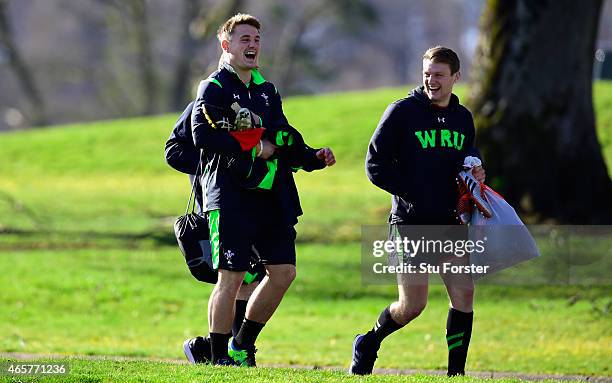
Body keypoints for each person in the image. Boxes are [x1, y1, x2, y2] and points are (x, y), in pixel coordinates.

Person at [190, 13, 336, 366]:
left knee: (284, 272)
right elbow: (202, 135)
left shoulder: (267, 90)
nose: (252, 45)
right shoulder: (215, 88)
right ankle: (217, 355)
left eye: (256, 39)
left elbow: (282, 136)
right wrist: (254, 146)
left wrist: (313, 157)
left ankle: (243, 344)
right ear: (226, 45)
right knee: (232, 276)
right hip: (229, 196)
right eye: (244, 39)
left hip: (270, 196)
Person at [350, 46, 485, 376]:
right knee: (412, 306)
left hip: (450, 220)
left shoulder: (463, 117)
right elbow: (374, 164)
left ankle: (456, 374)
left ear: (456, 77)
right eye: (427, 74)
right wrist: (412, 191)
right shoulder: (402, 112)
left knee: (464, 293)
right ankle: (368, 342)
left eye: (439, 75)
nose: (431, 81)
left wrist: (477, 172)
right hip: (410, 221)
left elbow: (469, 158)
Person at [165, 101, 265, 363]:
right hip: (218, 207)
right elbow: (173, 151)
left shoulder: (259, 102)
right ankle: (230, 352)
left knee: (253, 278)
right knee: (236, 277)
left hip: (253, 205)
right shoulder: (204, 104)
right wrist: (216, 159)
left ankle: (212, 348)